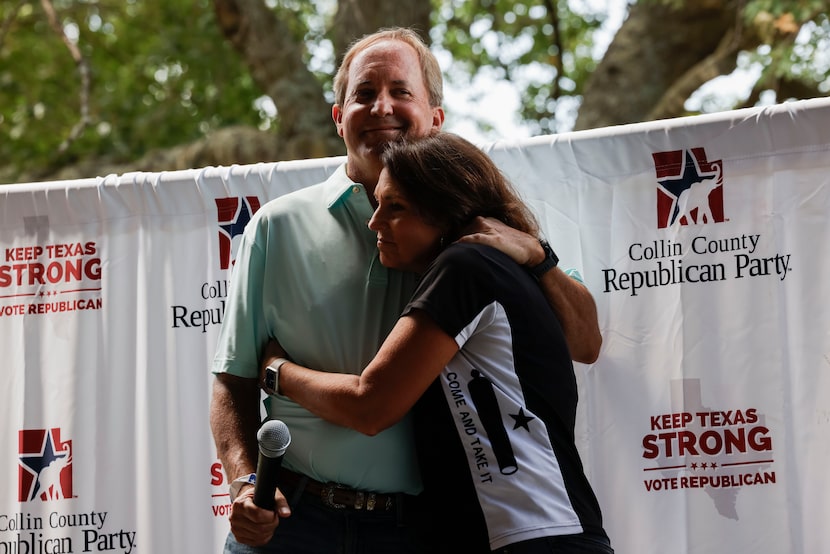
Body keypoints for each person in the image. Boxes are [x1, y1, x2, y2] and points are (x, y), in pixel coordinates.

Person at [210, 27, 602, 553]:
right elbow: (232, 380)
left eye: (402, 91)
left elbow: (585, 343)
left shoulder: (480, 238)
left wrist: (538, 256)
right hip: (291, 519)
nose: (382, 108)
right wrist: (242, 482)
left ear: (436, 118)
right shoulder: (274, 227)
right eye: (364, 95)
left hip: (424, 529)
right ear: (337, 117)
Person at [264, 131, 613, 553]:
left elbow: (370, 405)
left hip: (531, 536)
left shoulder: (465, 266)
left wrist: (277, 372)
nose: (374, 221)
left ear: (446, 211)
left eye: (395, 208)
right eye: (378, 204)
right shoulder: (498, 266)